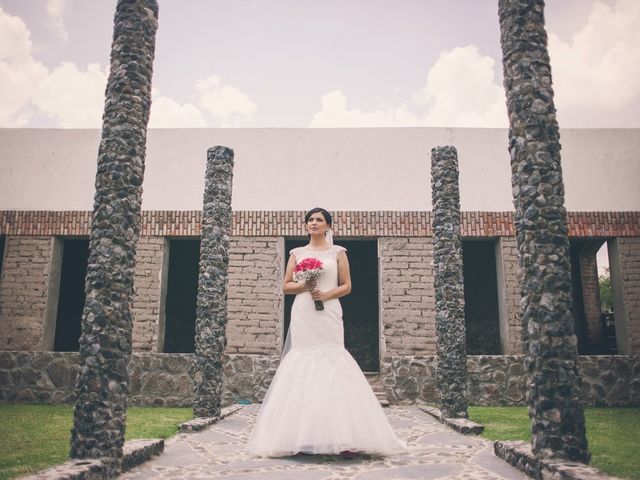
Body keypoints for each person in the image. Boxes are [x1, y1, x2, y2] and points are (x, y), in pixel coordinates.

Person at [246, 207, 406, 457]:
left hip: (329, 310)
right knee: (303, 359)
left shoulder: (338, 252)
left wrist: (326, 294)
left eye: (319, 220)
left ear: (328, 226)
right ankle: (298, 436)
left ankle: (343, 436)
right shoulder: (296, 253)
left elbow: (347, 285)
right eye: (310, 219)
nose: (314, 223)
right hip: (303, 312)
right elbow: (286, 286)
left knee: (332, 358)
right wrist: (305, 285)